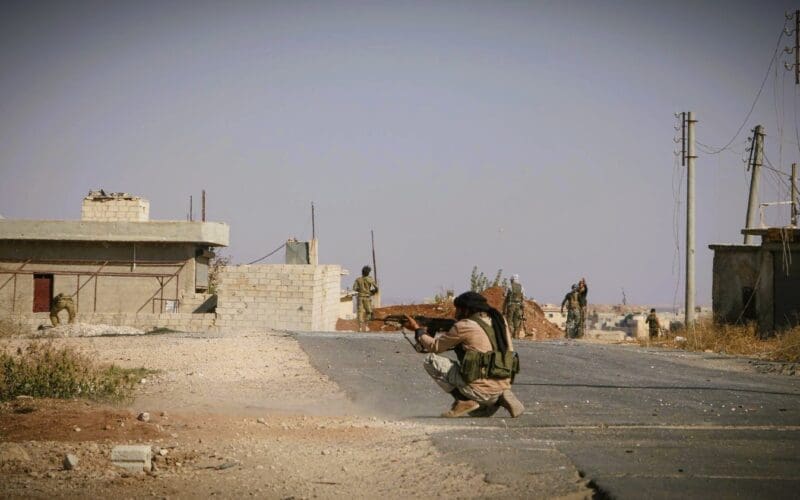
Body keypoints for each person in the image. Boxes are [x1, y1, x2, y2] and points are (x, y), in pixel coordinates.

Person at [404, 291, 524, 418]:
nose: (456, 314)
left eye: (458, 310)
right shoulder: (499, 321)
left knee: (431, 360)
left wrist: (418, 330)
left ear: (467, 310)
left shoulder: (464, 325)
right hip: (503, 384)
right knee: (476, 413)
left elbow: (435, 347)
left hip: (481, 392)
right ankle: (502, 396)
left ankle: (464, 401)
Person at [353, 265, 378, 332]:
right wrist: (372, 292)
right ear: (368, 272)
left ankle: (360, 327)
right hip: (367, 297)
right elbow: (376, 288)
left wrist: (360, 290)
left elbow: (354, 288)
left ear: (362, 272)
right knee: (368, 311)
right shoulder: (370, 279)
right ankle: (366, 326)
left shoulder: (358, 279)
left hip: (360, 297)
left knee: (360, 312)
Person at [503, 274, 526, 339]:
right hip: (519, 306)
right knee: (517, 319)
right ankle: (515, 334)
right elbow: (523, 297)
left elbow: (505, 295)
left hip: (511, 305)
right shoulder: (521, 287)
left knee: (509, 319)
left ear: (512, 279)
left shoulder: (509, 286)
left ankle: (509, 334)